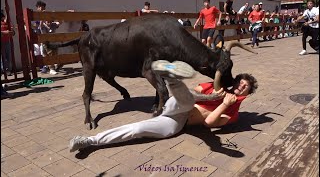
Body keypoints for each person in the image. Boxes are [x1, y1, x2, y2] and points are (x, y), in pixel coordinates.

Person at [68, 60, 258, 152]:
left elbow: (209, 123)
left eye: (245, 87)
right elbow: (190, 94)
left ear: (247, 94)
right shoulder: (215, 87)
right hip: (177, 106)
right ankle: (169, 76)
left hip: (177, 124)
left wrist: (224, 104)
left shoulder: (233, 112)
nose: (241, 87)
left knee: (137, 129)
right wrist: (210, 97)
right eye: (240, 83)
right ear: (235, 82)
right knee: (184, 97)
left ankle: (90, 142)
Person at [33, 0, 61, 75]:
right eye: (41, 8)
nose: (43, 10)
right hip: (42, 38)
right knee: (45, 52)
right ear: (38, 7)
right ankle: (48, 67)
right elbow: (37, 26)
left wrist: (52, 15)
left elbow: (59, 22)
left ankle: (49, 66)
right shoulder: (36, 17)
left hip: (48, 39)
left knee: (47, 53)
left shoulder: (50, 22)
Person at [1, 10, 15, 76]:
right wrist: (6, 32)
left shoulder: (6, 23)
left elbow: (13, 32)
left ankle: (7, 70)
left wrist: (12, 32)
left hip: (7, 41)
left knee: (8, 57)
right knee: (3, 57)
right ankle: (4, 70)